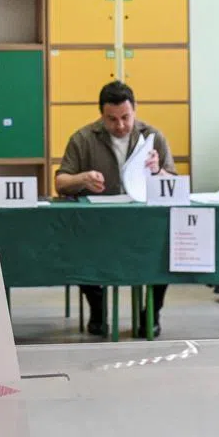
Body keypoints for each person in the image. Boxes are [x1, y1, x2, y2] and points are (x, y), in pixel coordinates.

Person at [55, 81, 176, 337]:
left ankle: (151, 313)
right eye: (112, 119)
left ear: (135, 111)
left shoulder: (154, 137)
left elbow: (174, 185)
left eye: (125, 118)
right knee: (78, 246)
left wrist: (158, 171)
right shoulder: (83, 138)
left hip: (144, 222)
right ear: (101, 115)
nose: (119, 125)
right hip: (99, 224)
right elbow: (61, 182)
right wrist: (82, 179)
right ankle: (98, 309)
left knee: (167, 247)